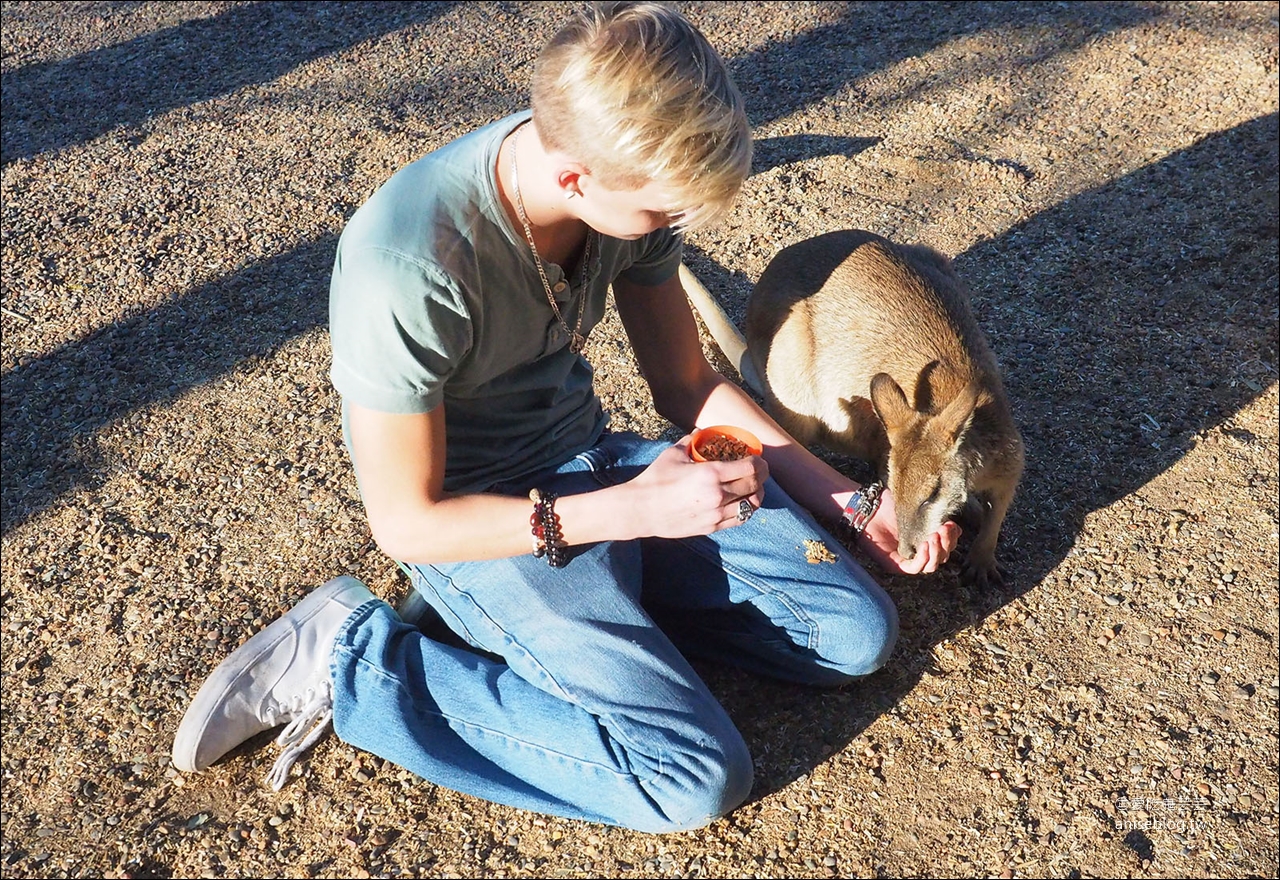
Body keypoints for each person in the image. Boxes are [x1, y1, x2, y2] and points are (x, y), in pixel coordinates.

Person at [173, 1, 959, 833]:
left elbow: (687, 384)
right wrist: (640, 510)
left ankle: (584, 632)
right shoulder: (407, 265)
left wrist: (848, 500)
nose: (675, 229)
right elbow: (407, 524)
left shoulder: (614, 174)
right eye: (665, 213)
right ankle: (358, 657)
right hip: (487, 522)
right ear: (578, 180)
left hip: (596, 462)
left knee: (853, 635)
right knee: (691, 779)